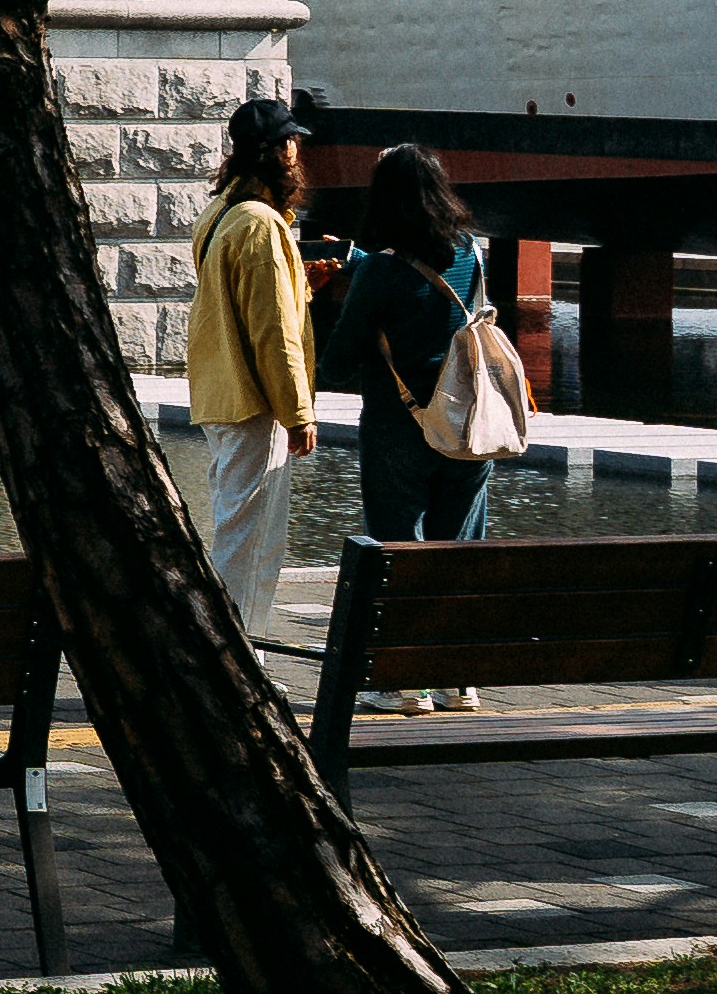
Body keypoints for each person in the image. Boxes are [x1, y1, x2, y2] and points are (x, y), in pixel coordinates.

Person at [323, 144, 501, 711]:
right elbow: (431, 291)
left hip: (398, 429)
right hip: (467, 424)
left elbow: (339, 360)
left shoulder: (381, 271)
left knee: (399, 546)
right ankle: (456, 678)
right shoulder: (471, 253)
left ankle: (405, 683)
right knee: (456, 547)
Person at [188, 96, 319, 639]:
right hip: (254, 402)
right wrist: (298, 412)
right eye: (294, 143)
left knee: (239, 531)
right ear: (281, 152)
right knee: (250, 544)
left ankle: (244, 652)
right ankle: (233, 655)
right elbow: (273, 332)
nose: (298, 152)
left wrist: (300, 280)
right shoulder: (262, 224)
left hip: (220, 392)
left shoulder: (220, 212)